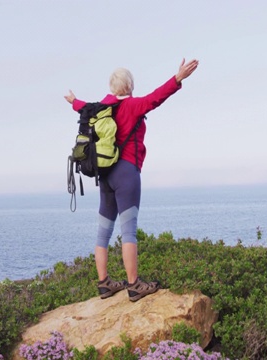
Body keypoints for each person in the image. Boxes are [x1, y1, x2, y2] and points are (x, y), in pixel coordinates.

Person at [64, 58, 199, 302]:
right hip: (126, 173)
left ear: (111, 87)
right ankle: (133, 285)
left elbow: (82, 106)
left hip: (104, 175)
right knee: (129, 231)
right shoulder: (134, 105)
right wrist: (178, 78)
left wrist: (73, 101)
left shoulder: (100, 107)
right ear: (129, 86)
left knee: (103, 233)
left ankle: (104, 283)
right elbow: (156, 97)